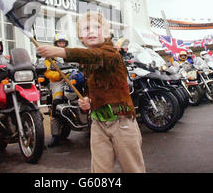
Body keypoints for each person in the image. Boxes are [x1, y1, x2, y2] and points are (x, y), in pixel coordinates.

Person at [37, 11, 145, 173]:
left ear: (107, 33)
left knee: (133, 169)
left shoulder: (111, 53)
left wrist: (59, 52)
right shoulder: (86, 62)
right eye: (86, 28)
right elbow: (92, 89)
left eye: (97, 27)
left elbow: (93, 55)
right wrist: (86, 100)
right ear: (81, 36)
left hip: (122, 122)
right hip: (98, 123)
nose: (92, 31)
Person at [44, 33, 72, 147]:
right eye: (59, 43)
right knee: (56, 102)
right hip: (58, 83)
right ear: (56, 44)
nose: (61, 45)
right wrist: (60, 75)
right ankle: (55, 136)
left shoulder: (70, 55)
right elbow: (47, 72)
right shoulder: (50, 58)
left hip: (71, 80)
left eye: (63, 43)